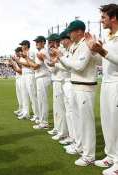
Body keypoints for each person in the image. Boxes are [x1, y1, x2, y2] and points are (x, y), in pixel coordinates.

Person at [55, 20, 99, 166]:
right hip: (76, 86)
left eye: (71, 31)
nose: (69, 34)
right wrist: (61, 58)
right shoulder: (76, 46)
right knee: (79, 121)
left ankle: (89, 155)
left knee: (86, 123)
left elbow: (79, 66)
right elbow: (69, 68)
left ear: (79, 31)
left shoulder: (86, 44)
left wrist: (61, 57)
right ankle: (80, 147)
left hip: (85, 87)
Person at [85, 4, 118, 175]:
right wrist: (94, 51)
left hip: (117, 84)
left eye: (104, 17)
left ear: (113, 18)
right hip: (106, 83)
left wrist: (102, 51)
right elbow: (103, 62)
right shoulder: (108, 36)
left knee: (116, 123)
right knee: (107, 122)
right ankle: (111, 156)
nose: (101, 20)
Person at [24, 36, 51, 129]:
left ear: (43, 43)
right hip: (41, 77)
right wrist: (27, 58)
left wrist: (27, 59)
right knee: (41, 100)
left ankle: (44, 122)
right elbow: (34, 64)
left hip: (43, 77)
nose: (36, 43)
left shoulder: (43, 51)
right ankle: (42, 120)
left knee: (42, 101)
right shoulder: (40, 52)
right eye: (36, 42)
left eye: (38, 42)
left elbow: (35, 66)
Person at [13, 40, 38, 120]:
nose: (22, 47)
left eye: (23, 45)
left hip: (30, 74)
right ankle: (26, 112)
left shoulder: (31, 53)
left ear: (27, 45)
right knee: (24, 95)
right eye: (21, 45)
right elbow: (22, 65)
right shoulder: (23, 54)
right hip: (24, 75)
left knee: (32, 95)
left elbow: (30, 65)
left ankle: (36, 114)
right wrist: (15, 63)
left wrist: (18, 61)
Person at [8, 47, 23, 117]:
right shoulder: (18, 59)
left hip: (22, 78)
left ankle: (24, 110)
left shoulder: (21, 59)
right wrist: (12, 66)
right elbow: (16, 69)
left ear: (20, 52)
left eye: (17, 52)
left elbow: (21, 70)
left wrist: (14, 63)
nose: (16, 54)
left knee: (23, 96)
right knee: (19, 95)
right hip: (17, 78)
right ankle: (20, 109)